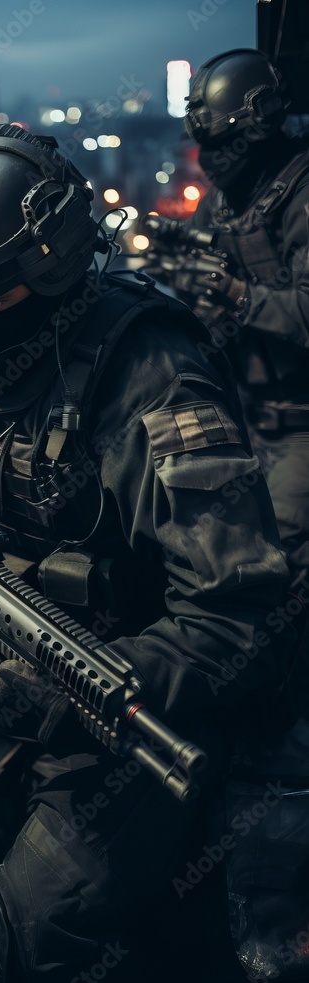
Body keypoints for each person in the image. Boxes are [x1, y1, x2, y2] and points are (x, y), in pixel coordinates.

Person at [0, 124, 297, 983]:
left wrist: (89, 684)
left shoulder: (150, 377)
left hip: (139, 696)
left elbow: (241, 621)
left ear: (46, 272)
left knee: (30, 924)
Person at [143, 48, 309, 590]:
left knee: (275, 565)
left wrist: (236, 294)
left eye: (219, 142)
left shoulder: (301, 194)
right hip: (244, 416)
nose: (208, 157)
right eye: (203, 143)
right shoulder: (219, 206)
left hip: (300, 424)